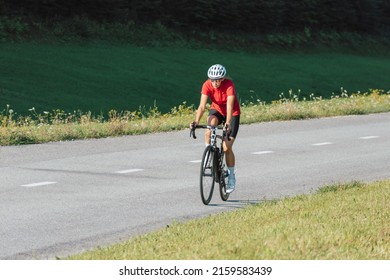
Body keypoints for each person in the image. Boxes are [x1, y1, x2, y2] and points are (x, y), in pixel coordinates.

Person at [190, 64, 241, 193]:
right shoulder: (206, 85)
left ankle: (231, 176)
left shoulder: (229, 85)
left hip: (232, 113)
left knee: (226, 147)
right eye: (212, 80)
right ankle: (209, 151)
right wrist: (196, 121)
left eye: (217, 80)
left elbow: (230, 106)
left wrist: (228, 123)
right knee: (209, 126)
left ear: (222, 79)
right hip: (217, 110)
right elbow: (202, 106)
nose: (214, 82)